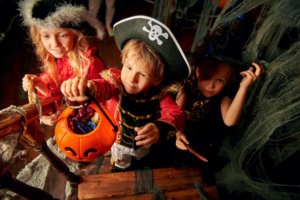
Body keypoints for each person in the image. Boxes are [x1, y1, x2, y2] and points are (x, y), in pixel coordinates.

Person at [60, 15, 190, 170]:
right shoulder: (116, 84)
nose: (131, 79)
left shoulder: (160, 95)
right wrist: (87, 88)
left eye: (142, 74)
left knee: (142, 160)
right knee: (121, 166)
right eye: (128, 67)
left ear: (156, 79)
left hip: (144, 145)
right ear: (123, 62)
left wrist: (159, 128)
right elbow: (103, 87)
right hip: (117, 141)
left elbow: (177, 114)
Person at [174, 53, 264, 184]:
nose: (211, 86)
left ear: (228, 80)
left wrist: (244, 87)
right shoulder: (186, 87)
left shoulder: (224, 96)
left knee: (205, 169)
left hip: (201, 136)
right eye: (207, 76)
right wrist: (177, 133)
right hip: (177, 132)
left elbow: (230, 121)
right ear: (198, 71)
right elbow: (175, 115)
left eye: (220, 80)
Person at [19, 0, 107, 125]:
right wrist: (39, 84)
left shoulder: (90, 64)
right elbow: (57, 89)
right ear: (39, 36)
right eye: (46, 36)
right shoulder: (54, 58)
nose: (55, 44)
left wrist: (65, 113)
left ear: (74, 35)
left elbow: (99, 105)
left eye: (63, 35)